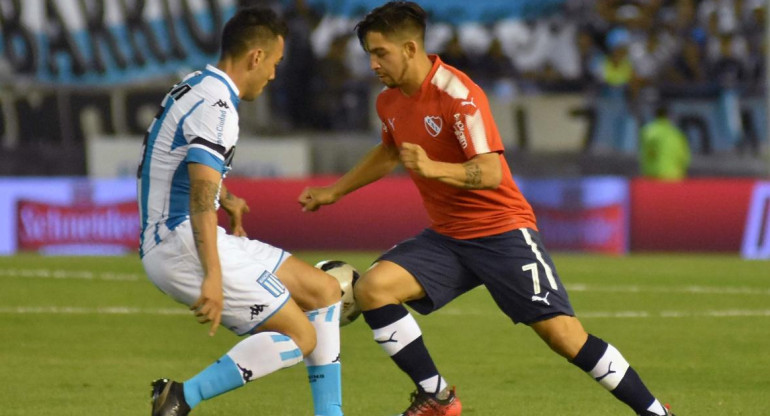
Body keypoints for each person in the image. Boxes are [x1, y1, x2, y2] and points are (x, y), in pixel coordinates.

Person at [298, 2, 674, 416]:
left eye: (379, 52)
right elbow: (388, 152)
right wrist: (335, 191)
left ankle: (656, 412)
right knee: (373, 289)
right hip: (448, 237)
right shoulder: (389, 102)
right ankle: (438, 397)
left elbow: (491, 171)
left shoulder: (458, 95)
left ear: (409, 48)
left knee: (565, 338)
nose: (372, 64)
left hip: (501, 232)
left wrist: (432, 168)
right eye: (368, 53)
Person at [137, 7, 343, 416]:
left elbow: (183, 166)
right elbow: (198, 191)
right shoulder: (219, 109)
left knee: (324, 291)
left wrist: (225, 197)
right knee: (302, 336)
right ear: (256, 58)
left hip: (183, 234)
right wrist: (213, 275)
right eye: (275, 64)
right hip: (180, 243)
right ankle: (180, 398)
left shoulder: (198, 85)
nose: (273, 76)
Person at [639, 106, 691, 180]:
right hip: (674, 179)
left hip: (652, 179)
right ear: (669, 116)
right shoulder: (677, 134)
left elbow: (644, 155)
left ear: (655, 115)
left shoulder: (647, 133)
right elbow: (685, 159)